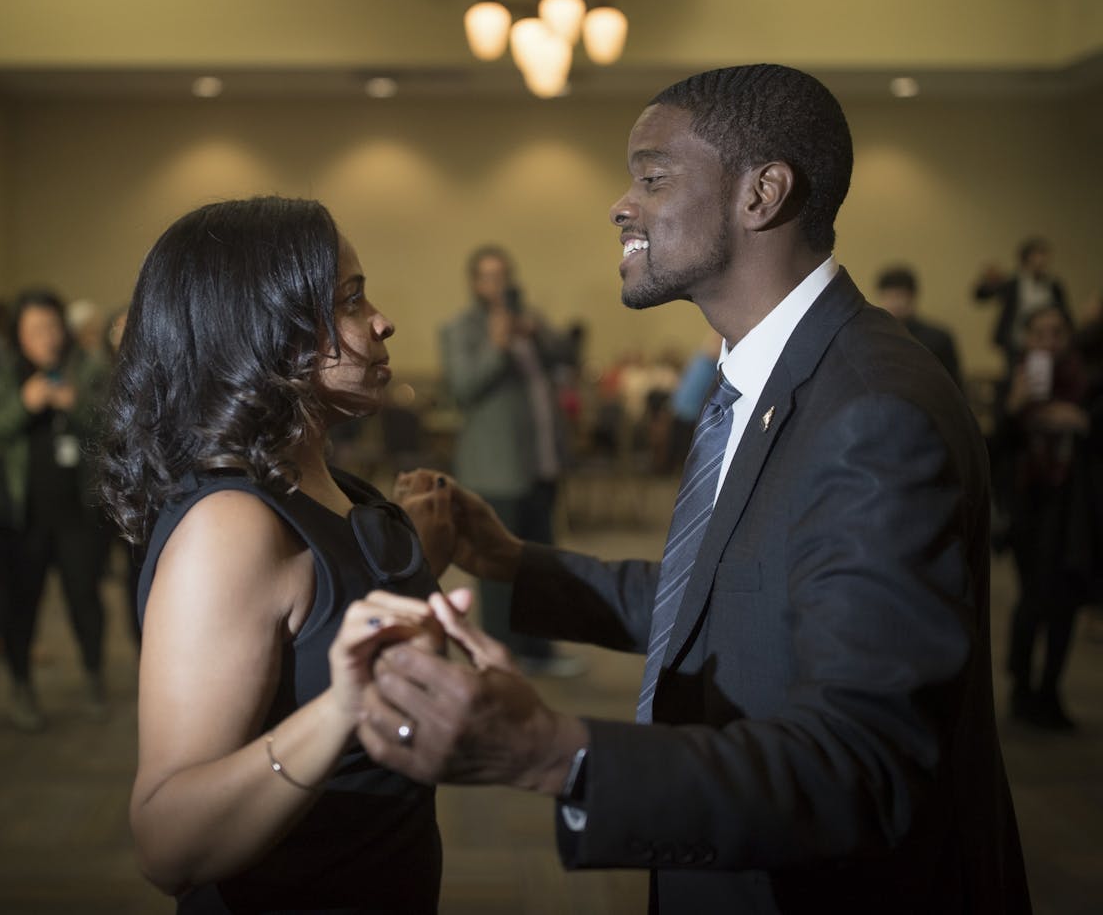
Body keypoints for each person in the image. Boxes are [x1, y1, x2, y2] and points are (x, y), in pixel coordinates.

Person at [361, 64, 1030, 914]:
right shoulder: (775, 377)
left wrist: (551, 752)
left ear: (761, 194)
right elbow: (728, 593)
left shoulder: (870, 412)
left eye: (652, 175)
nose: (620, 204)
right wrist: (513, 562)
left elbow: (864, 761)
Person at [101, 196, 450, 912]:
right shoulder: (232, 526)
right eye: (351, 300)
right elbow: (169, 843)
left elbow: (316, 635)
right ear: (268, 333)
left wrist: (418, 564)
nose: (382, 321)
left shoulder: (328, 485)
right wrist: (345, 707)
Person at [440, 245, 580, 675]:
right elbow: (462, 388)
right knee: (499, 567)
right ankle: (500, 656)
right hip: (495, 469)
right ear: (475, 283)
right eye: (488, 276)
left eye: (504, 274)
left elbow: (566, 358)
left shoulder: (528, 321)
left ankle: (539, 651)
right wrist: (497, 346)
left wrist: (535, 333)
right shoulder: (461, 329)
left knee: (540, 561)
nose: (498, 284)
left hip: (541, 462)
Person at [0, 290, 111, 731]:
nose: (48, 338)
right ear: (18, 334)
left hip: (77, 512)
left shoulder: (87, 366)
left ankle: (94, 674)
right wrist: (25, 403)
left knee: (85, 599)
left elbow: (111, 425)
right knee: (22, 605)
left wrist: (74, 405)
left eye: (53, 327)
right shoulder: (5, 372)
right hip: (24, 516)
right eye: (36, 330)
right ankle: (22, 685)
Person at [996, 305, 1098, 731]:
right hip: (1029, 507)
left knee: (1066, 602)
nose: (1049, 342)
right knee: (1033, 597)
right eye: (1040, 334)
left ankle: (1050, 691)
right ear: (1027, 339)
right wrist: (1015, 406)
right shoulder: (1015, 378)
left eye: (1057, 333)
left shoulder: (1087, 382)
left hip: (1076, 508)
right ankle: (1021, 687)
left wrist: (1081, 422)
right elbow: (995, 445)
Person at [974, 236, 1070, 371]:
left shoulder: (1053, 285)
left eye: (1044, 255)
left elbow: (1064, 313)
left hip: (1046, 343)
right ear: (1026, 258)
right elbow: (981, 296)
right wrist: (987, 281)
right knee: (1015, 374)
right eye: (1037, 254)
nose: (1042, 260)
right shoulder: (1013, 283)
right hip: (1015, 342)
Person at [876, 265, 963, 386]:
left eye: (899, 296)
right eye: (888, 297)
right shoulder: (874, 337)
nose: (893, 303)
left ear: (912, 297)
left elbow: (955, 385)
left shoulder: (938, 338)